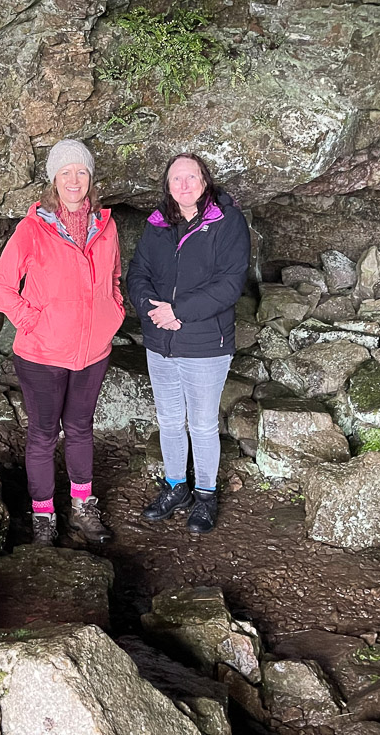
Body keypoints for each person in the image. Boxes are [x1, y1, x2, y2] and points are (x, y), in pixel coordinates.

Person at [0, 138, 125, 547]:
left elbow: (115, 279)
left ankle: (82, 508)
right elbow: (1, 285)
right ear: (53, 179)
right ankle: (44, 516)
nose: (74, 179)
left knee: (82, 429)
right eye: (65, 172)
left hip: (92, 351)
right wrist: (33, 321)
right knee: (44, 434)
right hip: (42, 352)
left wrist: (111, 314)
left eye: (81, 171)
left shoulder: (107, 226)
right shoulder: (33, 228)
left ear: (90, 178)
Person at [126, 152, 250, 534]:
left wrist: (178, 311)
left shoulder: (227, 222)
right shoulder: (158, 224)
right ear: (167, 185)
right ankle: (176, 486)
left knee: (201, 424)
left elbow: (230, 283)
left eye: (191, 177)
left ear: (205, 181)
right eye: (175, 179)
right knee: (168, 421)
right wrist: (150, 307)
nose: (183, 185)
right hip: (160, 341)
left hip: (204, 343)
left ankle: (206, 495)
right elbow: (138, 273)